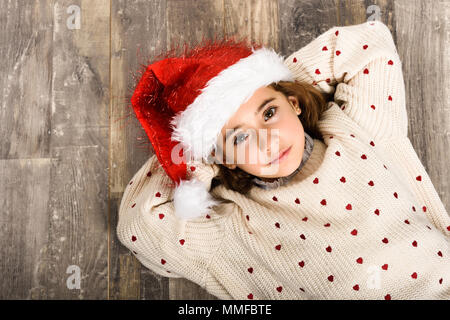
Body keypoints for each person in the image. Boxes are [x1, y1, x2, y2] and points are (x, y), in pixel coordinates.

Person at [117, 20, 450, 300]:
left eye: (270, 112)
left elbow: (368, 43)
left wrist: (271, 77)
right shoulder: (230, 225)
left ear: (294, 104)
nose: (268, 140)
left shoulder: (355, 127)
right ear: (224, 159)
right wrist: (195, 159)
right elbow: (137, 227)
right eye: (240, 137)